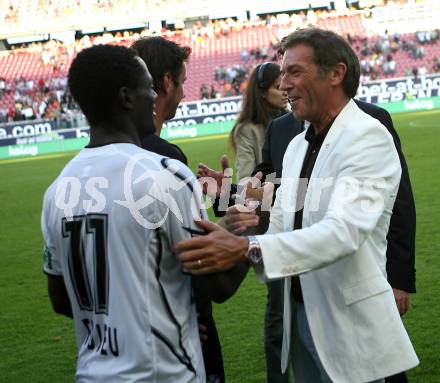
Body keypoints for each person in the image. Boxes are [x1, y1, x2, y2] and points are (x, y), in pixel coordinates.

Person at [177, 28, 419, 382]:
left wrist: (247, 248)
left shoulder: (367, 136)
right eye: (282, 74)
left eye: (294, 72)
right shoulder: (296, 146)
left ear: (336, 73)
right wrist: (234, 223)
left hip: (348, 325)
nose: (284, 84)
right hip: (298, 318)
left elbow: (343, 232)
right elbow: (282, 223)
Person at [41, 44, 238, 382]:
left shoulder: (57, 189)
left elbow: (61, 299)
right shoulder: (164, 174)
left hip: (93, 373)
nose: (154, 97)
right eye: (147, 87)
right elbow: (216, 285)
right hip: (164, 372)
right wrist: (243, 233)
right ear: (126, 97)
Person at [130, 36, 230, 383]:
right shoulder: (166, 158)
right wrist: (238, 223)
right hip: (180, 331)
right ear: (167, 82)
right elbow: (199, 257)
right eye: (183, 82)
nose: (185, 94)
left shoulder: (93, 163)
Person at [230, 61, 288, 182]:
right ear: (262, 92)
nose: (285, 91)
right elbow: (245, 179)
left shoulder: (295, 119)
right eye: (278, 87)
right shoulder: (246, 130)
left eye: (285, 85)